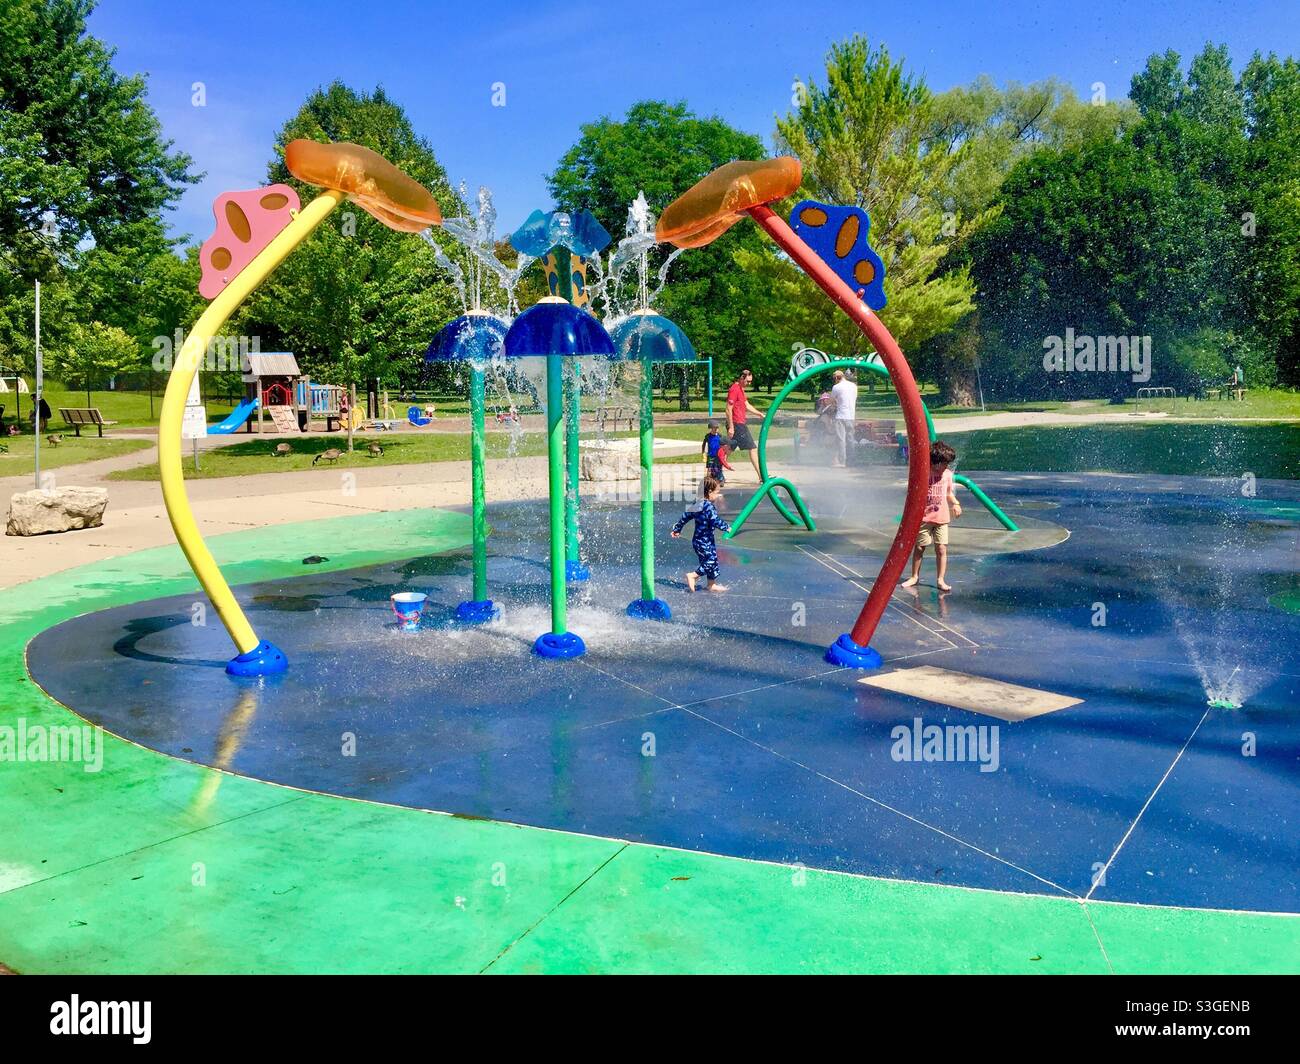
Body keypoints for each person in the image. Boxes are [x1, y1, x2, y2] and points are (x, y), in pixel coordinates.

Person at [902, 440, 962, 592]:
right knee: (920, 547)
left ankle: (941, 579)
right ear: (934, 462)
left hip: (941, 519)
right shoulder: (924, 473)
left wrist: (955, 504)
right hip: (924, 518)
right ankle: (914, 576)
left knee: (941, 549)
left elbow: (948, 493)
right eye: (944, 464)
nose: (946, 467)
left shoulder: (947, 475)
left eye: (948, 464)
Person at [671, 475, 731, 592]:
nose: (718, 495)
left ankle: (711, 584)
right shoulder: (708, 507)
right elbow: (715, 520)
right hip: (704, 541)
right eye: (716, 492)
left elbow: (685, 516)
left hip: (700, 540)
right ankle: (693, 575)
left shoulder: (697, 503)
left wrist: (677, 529)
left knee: (711, 561)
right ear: (709, 492)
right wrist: (726, 527)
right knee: (710, 561)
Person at [725, 368, 764, 480]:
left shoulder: (741, 389)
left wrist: (759, 414)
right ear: (742, 378)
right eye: (748, 381)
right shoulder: (734, 389)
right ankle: (762, 476)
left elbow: (746, 405)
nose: (749, 383)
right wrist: (731, 427)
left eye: (751, 381)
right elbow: (728, 409)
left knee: (728, 450)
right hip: (737, 425)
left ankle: (713, 473)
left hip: (739, 424)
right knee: (752, 448)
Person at [830, 369, 857, 467]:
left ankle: (842, 461)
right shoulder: (853, 386)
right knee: (850, 439)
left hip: (841, 416)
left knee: (841, 439)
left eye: (834, 379)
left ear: (837, 378)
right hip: (851, 416)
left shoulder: (836, 387)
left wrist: (835, 403)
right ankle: (852, 460)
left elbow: (831, 401)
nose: (834, 380)